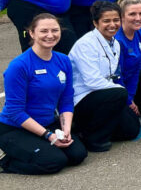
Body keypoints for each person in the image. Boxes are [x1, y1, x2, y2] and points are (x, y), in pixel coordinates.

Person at [0, 14, 87, 174]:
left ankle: (39, 148)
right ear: (32, 33)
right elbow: (15, 112)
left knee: (77, 155)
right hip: (15, 128)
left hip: (46, 123)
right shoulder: (19, 66)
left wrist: (65, 129)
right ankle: (7, 162)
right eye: (44, 31)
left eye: (55, 30)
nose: (50, 35)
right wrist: (49, 136)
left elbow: (66, 100)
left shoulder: (63, 60)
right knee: (54, 162)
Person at [67, 1, 141, 152]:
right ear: (95, 22)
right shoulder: (85, 44)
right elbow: (92, 81)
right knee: (119, 93)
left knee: (131, 129)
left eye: (116, 20)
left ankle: (87, 127)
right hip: (82, 97)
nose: (112, 25)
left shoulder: (115, 43)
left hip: (103, 93)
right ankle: (92, 137)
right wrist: (122, 92)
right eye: (106, 21)